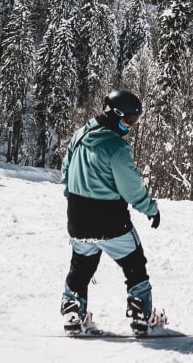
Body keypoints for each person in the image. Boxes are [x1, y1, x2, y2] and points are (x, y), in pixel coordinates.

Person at [59, 88, 163, 334]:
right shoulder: (117, 148)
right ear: (117, 115)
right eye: (130, 120)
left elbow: (66, 170)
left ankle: (73, 311)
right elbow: (131, 187)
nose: (131, 125)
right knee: (135, 264)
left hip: (77, 219)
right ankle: (141, 315)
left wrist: (73, 198)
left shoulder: (80, 135)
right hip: (110, 222)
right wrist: (150, 208)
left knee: (81, 268)